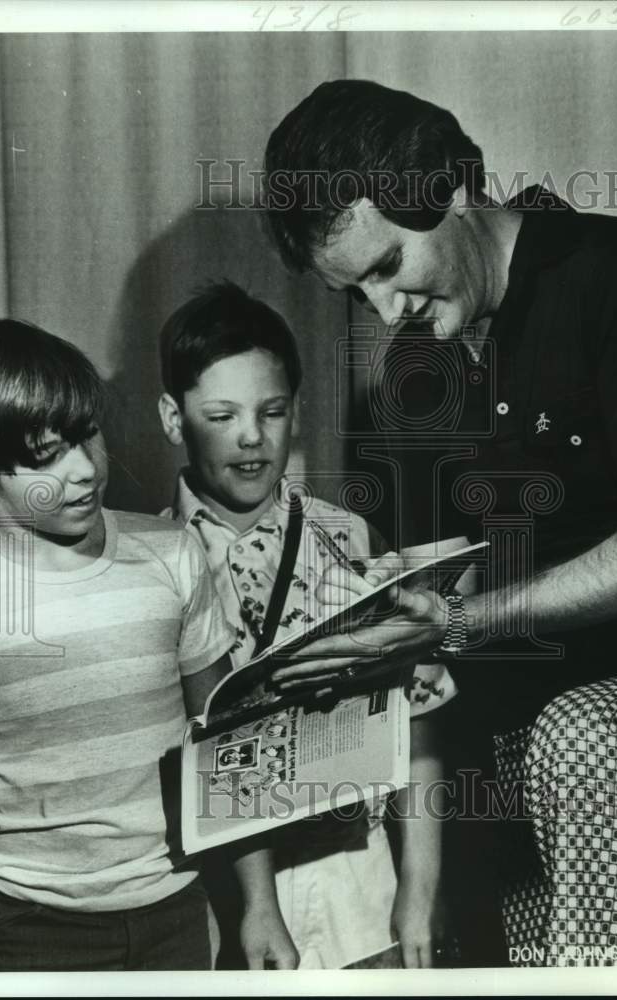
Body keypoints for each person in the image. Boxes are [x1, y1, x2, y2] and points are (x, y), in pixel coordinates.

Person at [262, 80, 617, 966]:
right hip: (517, 725)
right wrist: (410, 646)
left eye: (385, 266)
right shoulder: (412, 372)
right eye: (352, 292)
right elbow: (443, 584)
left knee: (580, 736)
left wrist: (457, 623)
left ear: (449, 189)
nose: (381, 310)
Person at [0, 318, 297, 972]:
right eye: (44, 456)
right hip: (24, 925)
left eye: (85, 436)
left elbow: (227, 736)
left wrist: (260, 904)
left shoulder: (173, 556)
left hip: (175, 908)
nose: (82, 470)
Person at [157, 280, 455, 968]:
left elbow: (422, 716)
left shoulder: (345, 536)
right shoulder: (150, 560)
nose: (252, 437)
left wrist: (419, 885)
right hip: (227, 907)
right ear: (174, 417)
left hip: (363, 887)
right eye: (222, 414)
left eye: (273, 410)